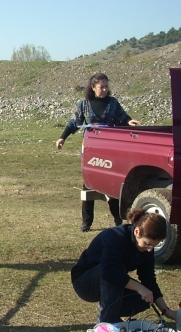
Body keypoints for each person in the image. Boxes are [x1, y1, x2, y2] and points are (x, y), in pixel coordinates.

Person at [56, 72, 140, 232]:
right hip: (90, 147)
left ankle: (117, 218)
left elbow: (122, 118)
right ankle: (86, 222)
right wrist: (62, 138)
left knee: (111, 181)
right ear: (93, 87)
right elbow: (75, 122)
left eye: (107, 87)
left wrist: (129, 121)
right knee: (89, 183)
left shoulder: (113, 103)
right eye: (101, 87)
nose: (105, 90)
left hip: (109, 147)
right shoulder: (84, 104)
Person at [70, 208, 178, 324]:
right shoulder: (115, 237)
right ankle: (108, 319)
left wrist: (166, 311)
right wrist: (140, 288)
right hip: (85, 282)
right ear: (137, 231)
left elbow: (149, 279)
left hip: (110, 279)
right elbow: (110, 272)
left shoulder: (146, 249)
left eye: (153, 246)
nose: (150, 249)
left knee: (145, 298)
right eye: (147, 244)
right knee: (115, 270)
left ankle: (110, 311)